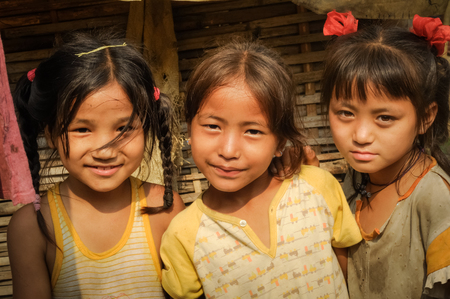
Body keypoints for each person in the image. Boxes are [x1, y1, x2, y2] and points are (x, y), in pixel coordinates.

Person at [160, 41, 362, 299]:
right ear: (189, 128)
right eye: (212, 126)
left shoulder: (317, 188)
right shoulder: (183, 235)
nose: (229, 150)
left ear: (279, 142)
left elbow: (346, 271)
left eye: (253, 131)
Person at [7, 31, 185, 298]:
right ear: (51, 134)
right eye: (82, 129)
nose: (105, 150)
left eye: (124, 128)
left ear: (147, 127)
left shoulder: (164, 209)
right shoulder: (33, 226)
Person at [321, 11, 450, 298]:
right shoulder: (357, 179)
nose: (361, 136)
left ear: (425, 117)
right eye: (345, 113)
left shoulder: (436, 199)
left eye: (385, 118)